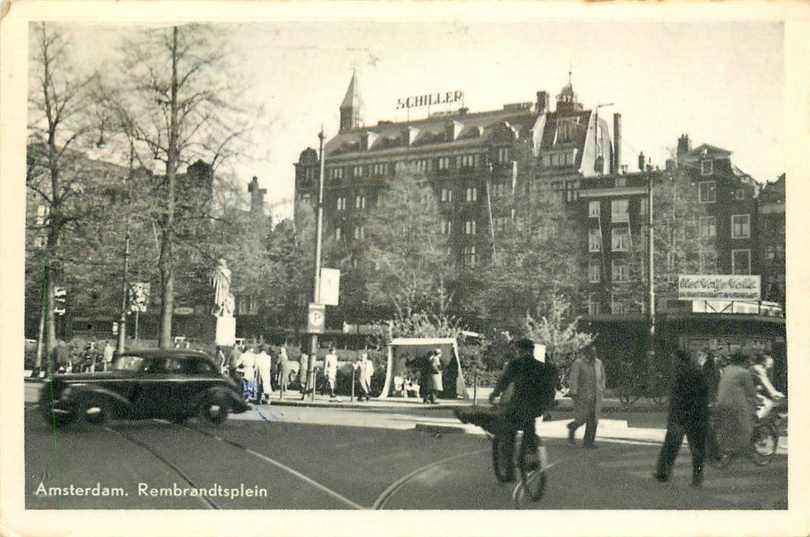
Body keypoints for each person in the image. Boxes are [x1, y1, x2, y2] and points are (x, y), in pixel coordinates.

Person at [456, 338, 558, 471]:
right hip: (536, 408)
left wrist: (494, 394)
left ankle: (509, 470)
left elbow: (505, 381)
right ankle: (532, 456)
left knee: (507, 431)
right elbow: (550, 387)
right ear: (532, 350)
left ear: (519, 350)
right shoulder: (543, 366)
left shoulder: (517, 363)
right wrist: (546, 406)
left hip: (518, 406)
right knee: (529, 428)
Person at [653, 350, 710, 487]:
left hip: (684, 416)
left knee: (672, 446)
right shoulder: (695, 372)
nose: (672, 362)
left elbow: (678, 398)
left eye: (674, 359)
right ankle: (697, 479)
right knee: (696, 450)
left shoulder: (682, 374)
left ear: (680, 360)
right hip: (694, 416)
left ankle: (664, 473)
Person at [713, 352, 758, 461]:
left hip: (720, 402)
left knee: (728, 427)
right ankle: (744, 450)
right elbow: (751, 391)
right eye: (748, 360)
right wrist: (757, 399)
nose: (749, 362)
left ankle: (727, 449)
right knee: (745, 426)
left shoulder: (727, 369)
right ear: (744, 361)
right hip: (735, 405)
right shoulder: (744, 372)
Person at [566, 347, 606, 448]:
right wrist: (573, 392)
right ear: (586, 353)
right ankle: (572, 427)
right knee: (581, 418)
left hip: (596, 396)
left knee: (593, 419)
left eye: (594, 352)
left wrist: (602, 388)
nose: (593, 354)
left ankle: (589, 442)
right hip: (582, 396)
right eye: (591, 352)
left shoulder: (598, 363)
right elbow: (574, 378)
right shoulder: (579, 363)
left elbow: (602, 377)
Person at [750, 353, 785, 421]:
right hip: (747, 393)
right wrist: (774, 393)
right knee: (768, 404)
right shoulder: (758, 368)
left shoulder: (758, 368)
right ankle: (755, 422)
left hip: (751, 392)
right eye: (769, 363)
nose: (771, 365)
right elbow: (766, 383)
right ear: (763, 361)